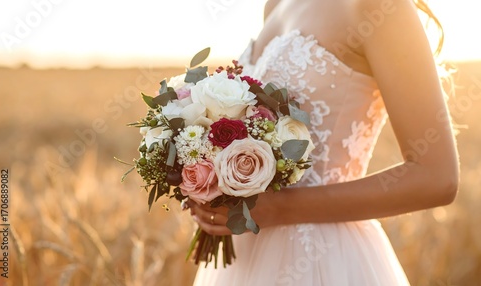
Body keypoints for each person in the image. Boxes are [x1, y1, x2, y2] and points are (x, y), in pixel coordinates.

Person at [187, 0, 459, 284]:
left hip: (325, 258)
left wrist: (276, 208)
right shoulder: (276, 4)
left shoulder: (380, 7)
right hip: (244, 258)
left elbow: (437, 177)